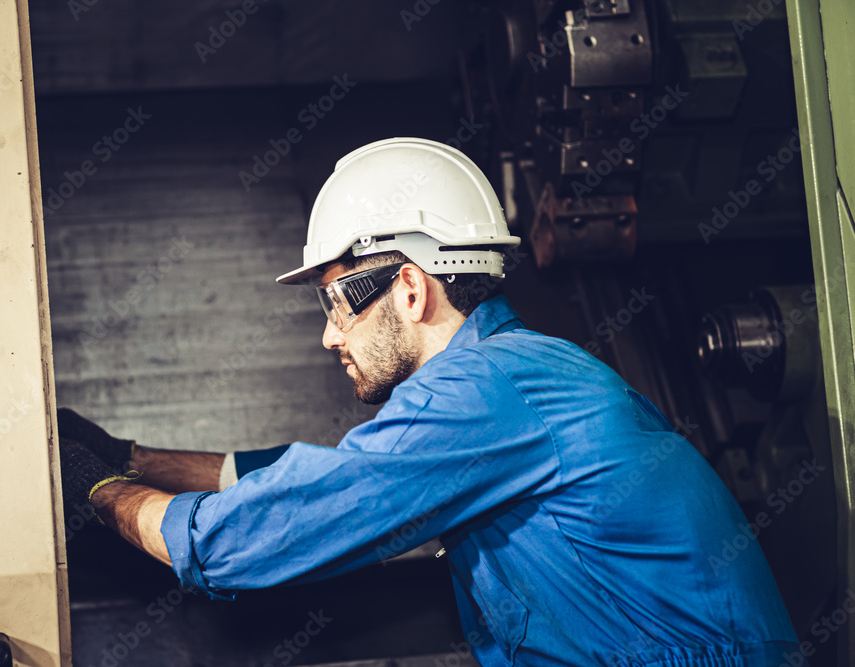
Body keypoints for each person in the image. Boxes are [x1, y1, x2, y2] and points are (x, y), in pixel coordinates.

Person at [59, 138, 803, 666]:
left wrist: (99, 492)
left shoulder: (488, 391)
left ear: (410, 288)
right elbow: (318, 478)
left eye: (335, 306)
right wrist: (135, 458)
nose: (328, 337)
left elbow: (240, 540)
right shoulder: (509, 378)